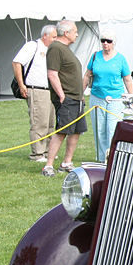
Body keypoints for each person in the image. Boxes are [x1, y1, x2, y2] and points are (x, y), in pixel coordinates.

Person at [84, 29, 133, 161]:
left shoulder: (120, 59)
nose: (105, 43)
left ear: (113, 43)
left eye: (109, 41)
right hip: (97, 97)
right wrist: (80, 93)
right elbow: (87, 75)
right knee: (99, 130)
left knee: (112, 129)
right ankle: (101, 158)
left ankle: (113, 157)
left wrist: (131, 97)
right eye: (103, 41)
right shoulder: (95, 56)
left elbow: (128, 79)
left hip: (116, 98)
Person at [43, 20, 85, 177]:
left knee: (76, 131)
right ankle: (48, 166)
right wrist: (62, 96)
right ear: (66, 33)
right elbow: (52, 74)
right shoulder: (55, 48)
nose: (77, 34)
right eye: (75, 31)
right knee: (62, 131)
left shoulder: (66, 49)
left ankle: (66, 162)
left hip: (77, 98)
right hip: (67, 98)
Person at [13, 25, 57, 163]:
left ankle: (48, 150)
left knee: (50, 123)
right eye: (54, 37)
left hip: (51, 90)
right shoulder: (33, 46)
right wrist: (21, 84)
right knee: (39, 122)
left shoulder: (52, 49)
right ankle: (37, 154)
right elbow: (17, 62)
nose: (56, 40)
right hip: (37, 89)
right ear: (45, 35)